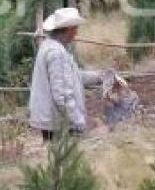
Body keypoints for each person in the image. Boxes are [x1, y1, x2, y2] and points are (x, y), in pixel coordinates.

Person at [29, 7, 104, 141]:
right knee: (64, 158)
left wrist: (99, 77)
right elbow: (62, 95)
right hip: (58, 123)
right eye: (75, 29)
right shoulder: (56, 53)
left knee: (55, 159)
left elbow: (73, 76)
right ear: (69, 30)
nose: (76, 33)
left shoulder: (51, 47)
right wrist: (77, 121)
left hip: (54, 120)